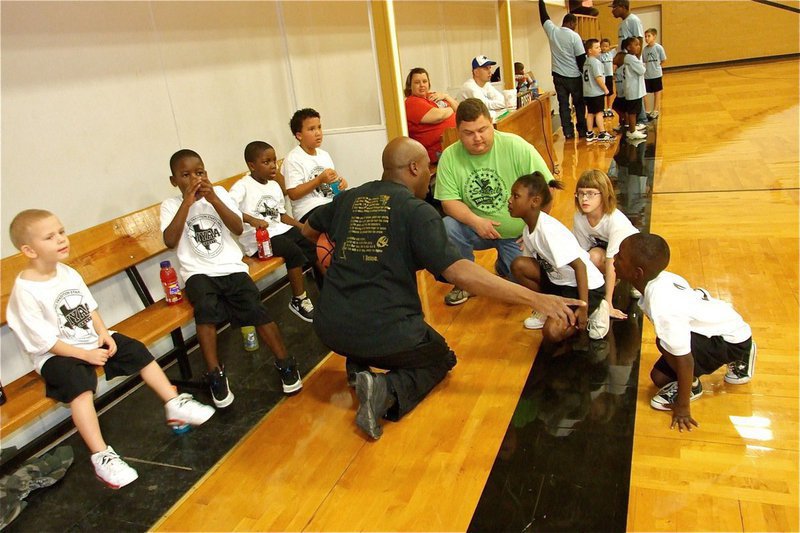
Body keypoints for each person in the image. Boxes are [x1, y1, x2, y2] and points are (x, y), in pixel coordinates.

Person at [300, 137, 585, 440]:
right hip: (383, 331)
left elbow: (307, 231)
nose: (430, 175)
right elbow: (460, 272)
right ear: (414, 168)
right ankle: (384, 389)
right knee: (440, 358)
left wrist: (336, 265)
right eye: (428, 168)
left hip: (330, 326)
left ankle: (358, 365)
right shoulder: (417, 212)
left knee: (371, 329)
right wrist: (537, 298)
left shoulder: (348, 198)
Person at [6, 210, 214, 489]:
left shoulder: (67, 272)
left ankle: (174, 403)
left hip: (88, 340)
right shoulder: (26, 291)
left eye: (61, 232)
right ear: (29, 250)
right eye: (50, 237)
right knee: (80, 386)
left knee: (136, 350)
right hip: (54, 354)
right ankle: (102, 456)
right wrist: (86, 355)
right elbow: (44, 341)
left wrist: (104, 334)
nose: (61, 239)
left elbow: (89, 309)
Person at [161, 149, 303, 408]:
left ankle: (285, 362)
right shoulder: (171, 206)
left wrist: (213, 198)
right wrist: (187, 203)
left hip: (231, 266)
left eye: (199, 172)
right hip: (198, 272)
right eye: (186, 175)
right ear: (174, 181)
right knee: (205, 310)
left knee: (255, 307)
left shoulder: (219, 194)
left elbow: (237, 227)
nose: (194, 179)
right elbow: (170, 241)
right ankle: (215, 374)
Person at [613, 233, 756, 431]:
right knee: (659, 378)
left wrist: (682, 408)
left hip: (730, 340)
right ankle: (692, 382)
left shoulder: (663, 305)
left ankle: (740, 355)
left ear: (638, 273)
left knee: (666, 343)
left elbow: (685, 359)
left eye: (620, 256)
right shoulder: (662, 278)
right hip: (713, 330)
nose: (614, 258)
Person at [434, 98, 555, 306]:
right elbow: (448, 202)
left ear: (492, 122)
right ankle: (466, 282)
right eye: (468, 133)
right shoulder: (449, 156)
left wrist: (533, 229)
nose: (477, 138)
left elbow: (547, 189)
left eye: (482, 129)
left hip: (517, 235)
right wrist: (476, 221)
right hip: (476, 229)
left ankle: (503, 263)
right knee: (447, 226)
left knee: (521, 289)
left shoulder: (516, 146)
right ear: (458, 132)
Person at [508, 173, 606, 343]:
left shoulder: (548, 231)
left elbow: (580, 266)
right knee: (519, 265)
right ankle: (546, 308)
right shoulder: (528, 229)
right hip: (559, 282)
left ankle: (595, 309)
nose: (509, 200)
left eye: (516, 196)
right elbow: (534, 265)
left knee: (552, 333)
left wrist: (583, 307)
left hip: (585, 287)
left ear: (534, 201)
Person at [229, 141, 317, 322]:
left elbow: (281, 216)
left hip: (279, 230)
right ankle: (299, 299)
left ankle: (328, 288)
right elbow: (228, 208)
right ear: (252, 165)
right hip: (257, 240)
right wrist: (252, 220)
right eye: (266, 162)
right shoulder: (242, 186)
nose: (273, 166)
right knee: (292, 251)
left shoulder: (274, 185)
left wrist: (302, 227)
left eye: (274, 161)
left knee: (310, 241)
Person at [571, 169, 638, 319]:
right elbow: (581, 255)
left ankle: (634, 280)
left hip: (631, 255)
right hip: (608, 252)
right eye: (581, 193)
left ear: (604, 194)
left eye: (590, 193)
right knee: (592, 256)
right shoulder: (579, 218)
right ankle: (610, 281)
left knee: (619, 266)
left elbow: (611, 260)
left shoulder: (615, 220)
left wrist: (608, 304)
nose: (584, 199)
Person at [283, 108, 349, 223]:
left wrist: (341, 183)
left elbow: (332, 182)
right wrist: (318, 180)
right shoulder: (293, 158)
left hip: (329, 203)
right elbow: (293, 194)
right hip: (309, 211)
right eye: (311, 129)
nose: (318, 133)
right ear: (299, 135)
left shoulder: (324, 155)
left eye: (319, 127)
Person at [538, 0, 588, 139]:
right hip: (574, 77)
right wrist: (584, 76)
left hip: (558, 77)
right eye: (575, 25)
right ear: (571, 23)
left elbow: (544, 17)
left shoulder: (553, 31)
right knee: (579, 104)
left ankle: (568, 132)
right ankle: (582, 131)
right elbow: (581, 59)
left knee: (563, 105)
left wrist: (541, 2)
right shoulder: (574, 36)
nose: (575, 27)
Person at [403, 67, 458, 165]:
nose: (422, 85)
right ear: (410, 86)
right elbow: (438, 116)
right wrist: (451, 109)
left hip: (454, 142)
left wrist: (446, 96)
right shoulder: (411, 102)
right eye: (417, 82)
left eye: (424, 81)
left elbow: (460, 110)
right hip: (438, 152)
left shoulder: (433, 96)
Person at [610, 0, 648, 127]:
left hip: (631, 63)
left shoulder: (633, 20)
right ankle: (628, 121)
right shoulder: (623, 23)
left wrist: (635, 60)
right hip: (625, 63)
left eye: (614, 7)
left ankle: (641, 120)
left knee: (636, 92)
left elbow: (639, 40)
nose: (612, 11)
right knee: (627, 92)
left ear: (622, 7)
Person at [582, 39, 613, 143]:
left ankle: (589, 133)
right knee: (599, 113)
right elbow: (598, 77)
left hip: (587, 93)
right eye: (597, 47)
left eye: (599, 47)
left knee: (590, 113)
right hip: (596, 92)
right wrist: (605, 89)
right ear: (590, 50)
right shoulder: (595, 62)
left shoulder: (586, 62)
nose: (600, 49)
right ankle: (602, 133)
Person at [620, 37, 647, 141]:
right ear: (628, 47)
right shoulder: (631, 58)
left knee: (634, 111)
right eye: (635, 45)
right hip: (633, 90)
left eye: (639, 45)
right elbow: (642, 70)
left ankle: (633, 129)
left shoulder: (630, 58)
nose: (638, 47)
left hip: (634, 89)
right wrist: (642, 65)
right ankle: (632, 131)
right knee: (632, 112)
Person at [643, 28, 667, 119]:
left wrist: (657, 67)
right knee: (645, 92)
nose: (646, 38)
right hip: (647, 75)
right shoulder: (645, 50)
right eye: (645, 36)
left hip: (656, 74)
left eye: (648, 36)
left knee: (657, 92)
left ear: (654, 36)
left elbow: (663, 59)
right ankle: (647, 110)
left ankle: (655, 110)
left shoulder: (658, 48)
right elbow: (644, 61)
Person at [600, 39, 616, 117]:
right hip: (602, 76)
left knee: (609, 93)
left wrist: (609, 48)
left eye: (606, 46)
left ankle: (609, 108)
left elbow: (617, 46)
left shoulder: (611, 53)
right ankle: (603, 108)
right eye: (603, 46)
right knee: (603, 93)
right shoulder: (599, 55)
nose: (604, 48)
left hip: (609, 75)